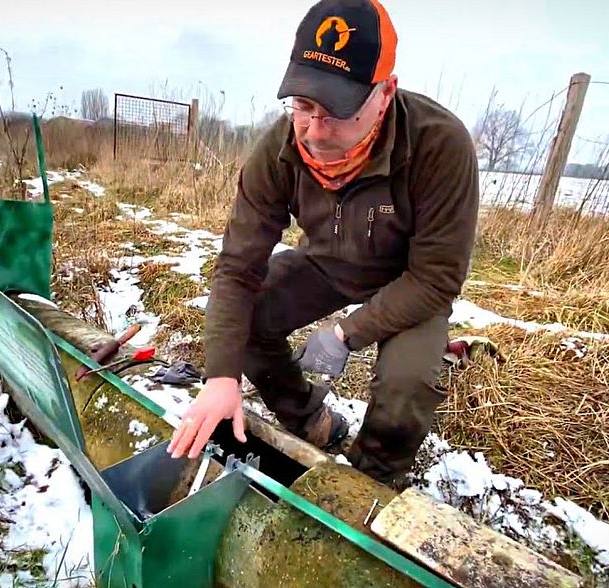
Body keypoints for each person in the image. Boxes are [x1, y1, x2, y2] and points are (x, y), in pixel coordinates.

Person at [168, 0, 479, 488]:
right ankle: (310, 420)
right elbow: (237, 269)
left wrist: (347, 333)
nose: (314, 130)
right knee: (246, 319)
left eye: (335, 111)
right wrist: (220, 377)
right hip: (329, 265)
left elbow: (437, 277)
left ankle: (370, 483)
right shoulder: (277, 150)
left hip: (409, 284)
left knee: (406, 385)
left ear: (385, 92)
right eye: (303, 106)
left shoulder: (439, 145)